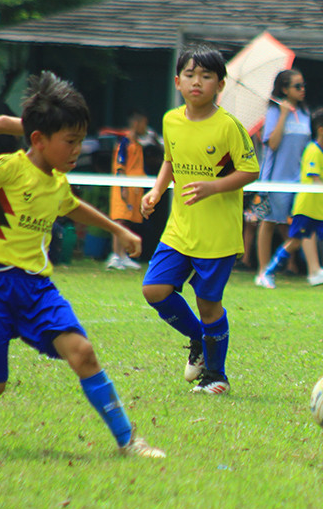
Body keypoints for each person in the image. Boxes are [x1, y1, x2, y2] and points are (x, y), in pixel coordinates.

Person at [0, 72, 164, 458]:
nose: (76, 151)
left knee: (83, 352)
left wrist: (117, 231)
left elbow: (70, 205)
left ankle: (128, 440)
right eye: (70, 142)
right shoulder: (8, 168)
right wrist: (1, 124)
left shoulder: (56, 182)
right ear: (38, 139)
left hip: (36, 288)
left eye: (79, 141)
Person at [140, 45, 260, 395]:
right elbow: (170, 160)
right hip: (179, 229)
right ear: (178, 81)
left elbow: (250, 169)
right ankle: (198, 341)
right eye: (190, 75)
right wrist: (157, 190)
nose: (197, 82)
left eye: (206, 76)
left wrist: (214, 187)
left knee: (209, 305)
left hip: (217, 235)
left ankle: (216, 376)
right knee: (154, 289)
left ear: (219, 84)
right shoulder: (171, 120)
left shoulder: (228, 127)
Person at [257, 107, 323, 291]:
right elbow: (315, 182)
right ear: (321, 129)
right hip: (307, 208)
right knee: (295, 242)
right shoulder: (312, 151)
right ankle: (267, 273)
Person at [255, 68, 310, 285]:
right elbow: (273, 143)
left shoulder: (305, 113)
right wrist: (284, 114)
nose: (302, 89)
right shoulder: (274, 112)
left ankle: (290, 265)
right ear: (285, 89)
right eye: (297, 86)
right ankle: (262, 272)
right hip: (276, 178)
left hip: (299, 179)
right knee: (269, 222)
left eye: (303, 85)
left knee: (300, 223)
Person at [106, 111, 150, 271]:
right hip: (123, 188)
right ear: (136, 123)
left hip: (134, 189)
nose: (145, 127)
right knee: (119, 220)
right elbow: (120, 166)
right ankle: (115, 255)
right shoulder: (124, 143)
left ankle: (123, 256)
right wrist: (123, 187)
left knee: (126, 221)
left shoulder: (137, 144)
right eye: (144, 123)